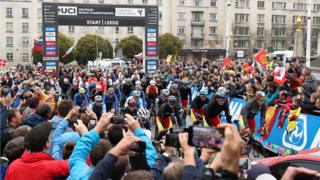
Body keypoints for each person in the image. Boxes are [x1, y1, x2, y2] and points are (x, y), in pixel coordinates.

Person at [5, 122, 69, 180]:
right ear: (47, 143)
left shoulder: (13, 166)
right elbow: (74, 162)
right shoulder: (52, 166)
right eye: (50, 137)